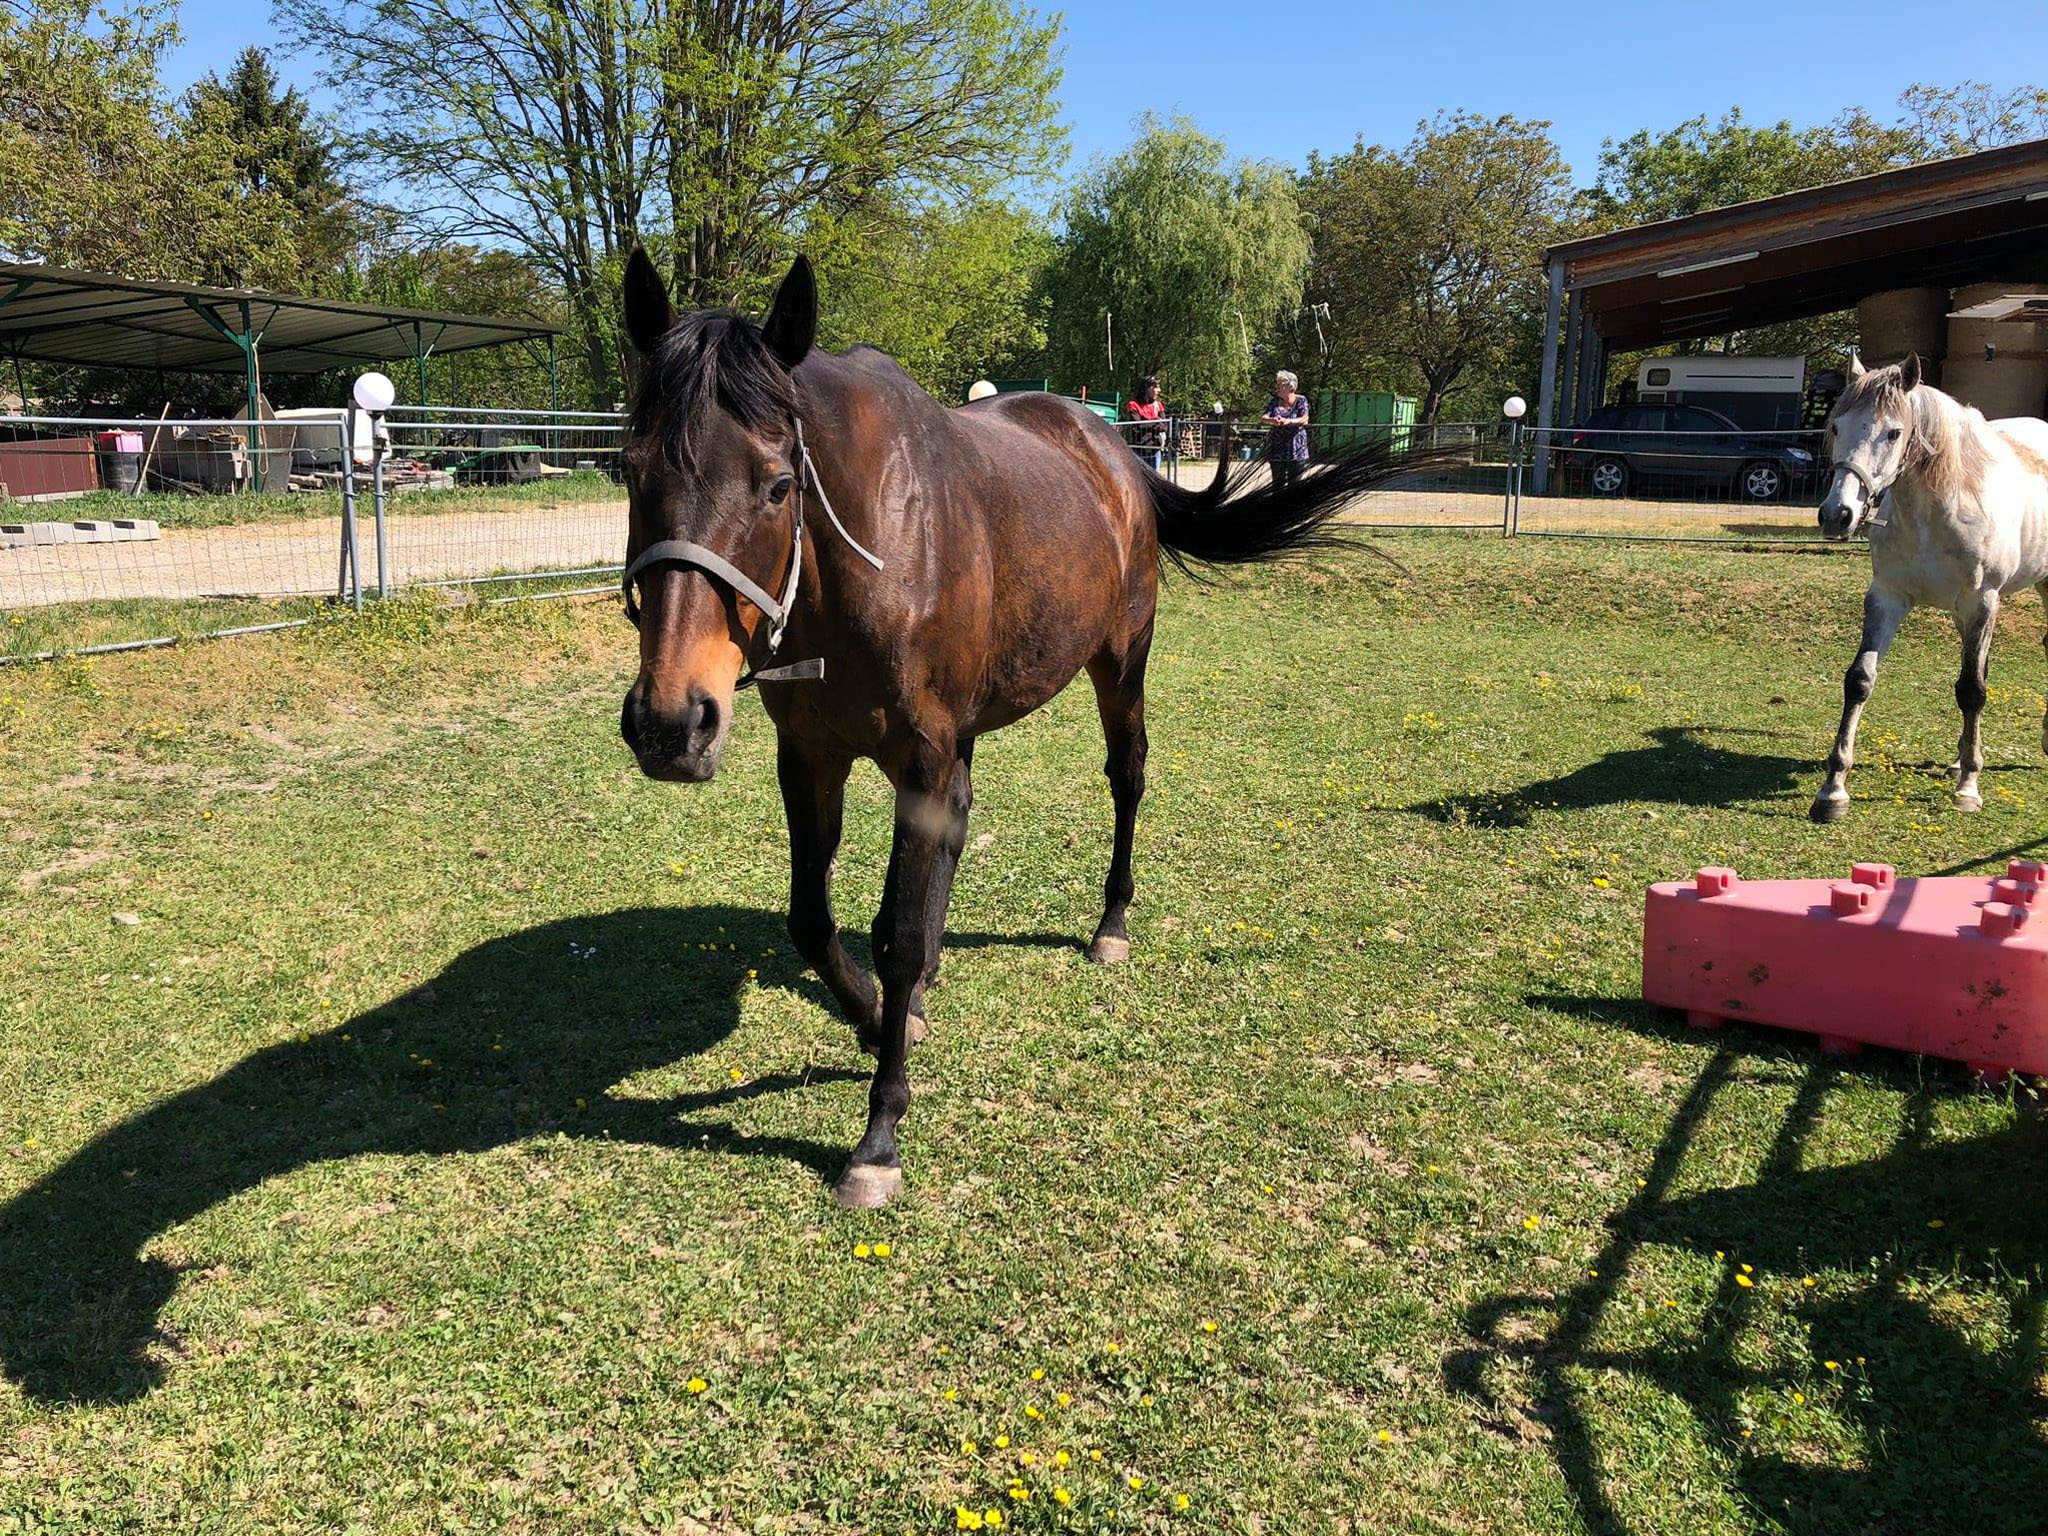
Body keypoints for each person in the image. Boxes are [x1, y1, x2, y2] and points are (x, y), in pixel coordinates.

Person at [1262, 370, 1310, 490]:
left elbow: (1305, 419)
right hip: (1277, 450)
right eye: (1277, 384)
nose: (1277, 387)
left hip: (1297, 450)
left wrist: (1288, 421)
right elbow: (1264, 418)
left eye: (1280, 384)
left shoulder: (1301, 400)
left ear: (1290, 386)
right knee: (1277, 485)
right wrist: (1273, 420)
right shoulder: (1274, 401)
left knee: (1295, 486)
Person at [1121, 375, 1167, 471]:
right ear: (1147, 388)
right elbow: (1138, 424)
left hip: (1155, 450)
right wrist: (1155, 421)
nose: (1159, 390)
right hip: (1139, 450)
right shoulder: (1133, 405)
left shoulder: (1158, 405)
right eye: (1155, 387)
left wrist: (1146, 423)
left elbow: (1164, 426)